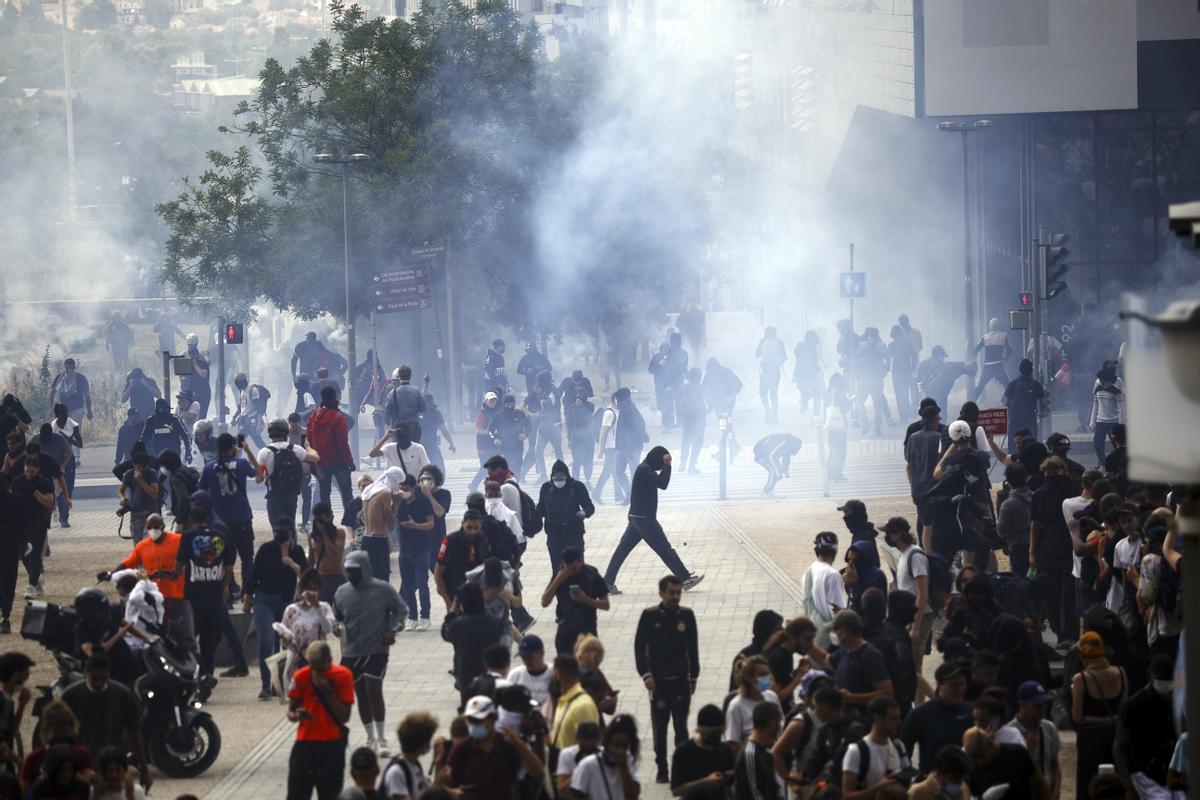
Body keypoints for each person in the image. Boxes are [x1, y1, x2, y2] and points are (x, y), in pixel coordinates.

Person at [335, 551, 406, 755]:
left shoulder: (383, 589)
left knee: (373, 687)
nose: (350, 575)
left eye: (354, 571)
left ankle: (382, 737)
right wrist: (336, 627)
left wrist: (393, 629)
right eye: (347, 571)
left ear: (364, 569)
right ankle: (370, 737)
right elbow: (336, 616)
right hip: (350, 651)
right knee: (360, 693)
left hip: (376, 648)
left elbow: (401, 610)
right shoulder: (341, 592)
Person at [603, 447, 702, 594]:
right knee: (665, 549)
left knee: (622, 551)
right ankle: (685, 579)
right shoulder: (645, 470)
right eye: (661, 463)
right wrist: (668, 466)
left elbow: (660, 483)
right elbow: (663, 484)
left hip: (636, 517)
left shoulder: (644, 468)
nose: (661, 467)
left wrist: (666, 465)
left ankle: (607, 582)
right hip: (644, 520)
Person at [635, 575, 700, 782]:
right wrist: (646, 675)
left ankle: (682, 770)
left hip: (680, 681)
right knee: (660, 727)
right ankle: (662, 767)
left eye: (678, 593)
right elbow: (639, 649)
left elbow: (693, 648)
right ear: (661, 593)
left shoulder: (687, 616)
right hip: (659, 683)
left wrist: (694, 677)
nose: (675, 597)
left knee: (681, 727)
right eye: (671, 593)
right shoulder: (650, 616)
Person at [59, 653, 151, 789]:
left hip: (112, 765)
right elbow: (60, 734)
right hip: (80, 766)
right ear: (86, 673)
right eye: (94, 678)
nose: (99, 683)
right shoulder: (71, 695)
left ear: (109, 674)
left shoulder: (123, 695)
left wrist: (144, 769)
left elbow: (134, 732)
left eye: (103, 678)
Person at [244, 526, 308, 698]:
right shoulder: (266, 549)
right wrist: (248, 597)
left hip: (287, 601)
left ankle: (281, 682)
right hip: (264, 599)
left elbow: (307, 575)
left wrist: (291, 563)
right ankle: (266, 685)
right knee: (266, 641)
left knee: (285, 642)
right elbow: (255, 572)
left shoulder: (297, 551)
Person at [286, 640, 354, 800]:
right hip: (305, 743)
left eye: (319, 666)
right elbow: (290, 711)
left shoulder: (343, 676)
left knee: (331, 794)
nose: (315, 671)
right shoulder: (301, 676)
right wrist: (296, 716)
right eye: (312, 665)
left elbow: (345, 716)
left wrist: (328, 693)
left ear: (329, 660)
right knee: (297, 794)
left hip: (332, 744)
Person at [447, 695, 545, 800]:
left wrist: (519, 745)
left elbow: (539, 773)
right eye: (471, 721)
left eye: (478, 721)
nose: (474, 725)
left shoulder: (508, 745)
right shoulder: (462, 750)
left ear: (493, 718)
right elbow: (445, 786)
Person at [1070, 631, 1127, 799]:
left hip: (1090, 741)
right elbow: (1123, 710)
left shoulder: (1080, 679)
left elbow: (1077, 717)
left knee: (1088, 786)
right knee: (1114, 786)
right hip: (1115, 738)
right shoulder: (1121, 673)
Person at [1029, 457, 1081, 642]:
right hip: (1048, 546)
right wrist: (1032, 552)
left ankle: (1069, 633)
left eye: (1055, 473)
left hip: (1068, 546)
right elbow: (1035, 523)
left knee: (1068, 594)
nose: (1052, 477)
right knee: (1052, 594)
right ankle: (1060, 632)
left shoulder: (1072, 491)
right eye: (1049, 474)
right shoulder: (1039, 495)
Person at [199, 432, 260, 592]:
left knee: (222, 555)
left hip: (219, 521)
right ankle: (248, 590)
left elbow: (201, 492)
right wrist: (247, 450)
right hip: (242, 518)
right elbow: (258, 471)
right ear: (233, 447)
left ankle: (230, 588)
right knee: (247, 557)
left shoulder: (209, 467)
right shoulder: (241, 464)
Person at [1113, 654, 1176, 790]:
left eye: (1168, 678)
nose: (1164, 682)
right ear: (1149, 675)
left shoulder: (1171, 704)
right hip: (1139, 774)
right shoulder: (1134, 705)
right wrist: (1128, 783)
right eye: (1160, 678)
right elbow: (1119, 747)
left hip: (1165, 776)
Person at [898, 662, 971, 777]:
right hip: (932, 784)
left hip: (965, 782)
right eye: (954, 685)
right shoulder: (920, 714)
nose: (960, 689)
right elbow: (903, 750)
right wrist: (911, 777)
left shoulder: (971, 711)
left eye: (962, 684)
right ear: (940, 684)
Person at [442, 583, 505, 709]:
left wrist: (453, 611)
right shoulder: (494, 621)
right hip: (489, 674)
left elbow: (445, 632)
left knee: (469, 711)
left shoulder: (459, 624)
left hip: (466, 678)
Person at [995, 681, 1061, 799]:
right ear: (1022, 703)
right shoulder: (1009, 733)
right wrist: (1025, 750)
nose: (1042, 708)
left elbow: (1055, 766)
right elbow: (1004, 772)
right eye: (1037, 705)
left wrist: (1055, 793)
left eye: (1045, 704)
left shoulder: (1049, 728)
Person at [839, 696, 909, 800]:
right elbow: (846, 796)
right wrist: (877, 789)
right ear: (877, 718)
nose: (899, 723)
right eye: (893, 719)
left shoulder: (898, 745)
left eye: (899, 718)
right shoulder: (856, 751)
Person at [258, 418, 320, 532]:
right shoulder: (296, 449)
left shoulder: (264, 453)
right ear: (286, 432)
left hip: (274, 495)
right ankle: (292, 546)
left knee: (277, 531)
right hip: (291, 495)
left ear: (270, 434)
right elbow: (315, 458)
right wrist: (308, 447)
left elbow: (259, 478)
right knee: (290, 528)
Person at [829, 610, 893, 718]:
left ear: (844, 631)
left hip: (864, 720)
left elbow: (887, 692)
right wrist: (810, 647)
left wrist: (851, 697)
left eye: (835, 632)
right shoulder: (846, 650)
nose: (833, 636)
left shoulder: (869, 655)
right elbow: (826, 660)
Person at [277, 570, 336, 685]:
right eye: (308, 589)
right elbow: (283, 637)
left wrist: (317, 608)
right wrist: (285, 638)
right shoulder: (291, 610)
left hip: (318, 662)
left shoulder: (324, 608)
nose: (311, 593)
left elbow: (328, 629)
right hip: (296, 662)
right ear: (301, 589)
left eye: (315, 589)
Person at [537, 460, 595, 572]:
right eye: (556, 478)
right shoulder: (546, 488)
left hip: (574, 533)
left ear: (567, 476)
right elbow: (541, 509)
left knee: (577, 567)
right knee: (557, 568)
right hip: (554, 534)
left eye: (561, 477)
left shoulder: (577, 487)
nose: (559, 481)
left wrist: (584, 513)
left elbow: (589, 507)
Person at [669, 705, 734, 800]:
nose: (717, 737)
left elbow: (731, 785)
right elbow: (676, 790)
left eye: (720, 733)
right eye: (714, 733)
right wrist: (705, 782)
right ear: (702, 732)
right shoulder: (683, 752)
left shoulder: (725, 749)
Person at [961, 726, 1045, 800]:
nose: (979, 762)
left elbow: (1039, 781)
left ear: (990, 744)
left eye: (981, 756)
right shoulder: (973, 766)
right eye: (974, 758)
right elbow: (971, 795)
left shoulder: (1016, 753)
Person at [570, 714, 641, 800]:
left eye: (624, 747)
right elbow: (576, 795)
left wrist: (624, 767)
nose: (620, 750)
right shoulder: (588, 765)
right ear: (607, 743)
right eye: (616, 745)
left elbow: (633, 795)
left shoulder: (628, 761)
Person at [308, 387, 356, 512]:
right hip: (339, 462)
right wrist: (350, 461)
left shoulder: (313, 418)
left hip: (321, 463)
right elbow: (343, 443)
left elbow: (310, 441)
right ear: (334, 398)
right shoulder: (337, 417)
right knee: (346, 494)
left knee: (324, 495)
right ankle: (351, 522)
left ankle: (326, 522)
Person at [11, 457, 52, 599]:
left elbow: (49, 502)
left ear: (38, 470)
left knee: (35, 556)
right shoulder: (17, 481)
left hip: (38, 523)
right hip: (20, 524)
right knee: (24, 556)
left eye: (32, 472)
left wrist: (36, 492)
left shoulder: (44, 482)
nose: (29, 474)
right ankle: (37, 578)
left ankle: (31, 586)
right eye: (27, 471)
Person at [435, 511, 491, 610]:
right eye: (469, 528)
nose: (472, 531)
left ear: (480, 526)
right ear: (462, 524)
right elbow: (438, 574)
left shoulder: (482, 538)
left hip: (476, 592)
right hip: (454, 592)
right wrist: (448, 602)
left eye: (476, 528)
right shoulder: (450, 541)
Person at [798, 532, 845, 647]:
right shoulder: (832, 575)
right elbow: (838, 611)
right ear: (835, 550)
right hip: (830, 639)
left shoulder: (807, 573)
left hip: (813, 636)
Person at [723, 657, 780, 751]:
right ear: (749, 678)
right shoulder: (736, 706)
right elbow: (733, 744)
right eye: (762, 675)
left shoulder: (772, 697)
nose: (768, 678)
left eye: (768, 673)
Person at [905, 404, 942, 546]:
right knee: (935, 524)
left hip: (918, 490)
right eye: (938, 418)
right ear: (934, 420)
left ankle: (924, 551)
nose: (939, 420)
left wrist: (913, 486)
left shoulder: (913, 438)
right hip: (935, 489)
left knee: (924, 522)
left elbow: (909, 466)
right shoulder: (938, 438)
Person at [379, 711, 438, 800]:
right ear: (421, 744)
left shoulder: (414, 763)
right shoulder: (397, 772)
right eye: (428, 740)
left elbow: (429, 791)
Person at [855, 327, 895, 437]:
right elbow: (888, 356)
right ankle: (877, 427)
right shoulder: (881, 345)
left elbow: (856, 358)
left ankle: (864, 423)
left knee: (859, 400)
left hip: (865, 378)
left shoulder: (862, 345)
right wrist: (886, 368)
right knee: (878, 404)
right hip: (877, 379)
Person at [307, 502, 348, 603]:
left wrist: (324, 534)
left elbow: (334, 556)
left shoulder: (339, 533)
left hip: (337, 576)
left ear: (330, 517)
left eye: (323, 520)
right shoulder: (312, 535)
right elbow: (311, 560)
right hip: (321, 578)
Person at [997, 464, 1033, 577]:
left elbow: (1001, 531)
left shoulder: (1008, 505)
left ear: (1008, 481)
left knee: (1019, 579)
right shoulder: (1036, 497)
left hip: (1017, 546)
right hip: (1037, 544)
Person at [1002, 360, 1047, 451]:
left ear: (1019, 370)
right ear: (1031, 370)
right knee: (1031, 447)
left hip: (1014, 422)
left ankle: (1014, 463)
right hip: (1030, 422)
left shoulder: (1013, 384)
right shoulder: (1036, 385)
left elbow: (1005, 402)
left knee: (1013, 447)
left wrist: (1007, 420)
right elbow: (1043, 403)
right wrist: (1042, 414)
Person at [1089, 364, 1125, 467]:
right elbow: (1095, 405)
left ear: (1109, 380)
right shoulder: (1098, 389)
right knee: (1097, 444)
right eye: (1100, 381)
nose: (1101, 383)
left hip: (1114, 421)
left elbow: (1122, 408)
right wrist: (1092, 421)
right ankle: (1104, 463)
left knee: (1116, 445)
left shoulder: (1116, 391)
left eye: (1103, 381)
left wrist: (1122, 424)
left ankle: (1118, 463)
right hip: (1101, 421)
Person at [555, 720, 602, 797]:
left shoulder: (603, 755)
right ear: (578, 739)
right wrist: (582, 769)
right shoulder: (567, 754)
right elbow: (562, 790)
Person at [488, 396, 530, 479]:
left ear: (514, 403)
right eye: (508, 403)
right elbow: (490, 430)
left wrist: (525, 434)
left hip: (518, 444)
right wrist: (495, 439)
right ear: (504, 404)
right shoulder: (498, 415)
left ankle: (516, 482)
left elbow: (529, 426)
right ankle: (510, 481)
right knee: (511, 463)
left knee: (518, 464)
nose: (510, 405)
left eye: (512, 403)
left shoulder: (519, 413)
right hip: (505, 445)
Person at [505, 635, 552, 707]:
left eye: (530, 657)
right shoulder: (515, 675)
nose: (526, 661)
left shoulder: (555, 674)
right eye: (523, 657)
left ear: (541, 653)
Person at [48, 359, 92, 432]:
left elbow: (87, 396)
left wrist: (89, 411)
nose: (69, 370)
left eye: (71, 368)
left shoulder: (81, 378)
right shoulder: (60, 378)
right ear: (64, 368)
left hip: (78, 409)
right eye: (67, 368)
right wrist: (50, 409)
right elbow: (52, 393)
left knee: (75, 431)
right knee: (63, 432)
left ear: (74, 367)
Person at [676, 368, 707, 474]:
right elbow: (710, 401)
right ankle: (691, 465)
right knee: (697, 442)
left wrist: (679, 415)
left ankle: (682, 463)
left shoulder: (683, 388)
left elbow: (678, 401)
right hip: (699, 418)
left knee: (686, 441)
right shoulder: (702, 388)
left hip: (687, 418)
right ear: (699, 377)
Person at [755, 327, 787, 425]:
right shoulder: (779, 342)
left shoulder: (763, 341)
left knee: (763, 393)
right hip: (775, 372)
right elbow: (785, 357)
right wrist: (777, 361)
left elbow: (756, 354)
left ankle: (768, 413)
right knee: (773, 394)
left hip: (765, 372)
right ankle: (775, 416)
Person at [823, 373, 851, 482]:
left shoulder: (827, 392)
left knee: (832, 450)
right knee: (840, 451)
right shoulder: (840, 393)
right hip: (839, 426)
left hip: (830, 426)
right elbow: (843, 408)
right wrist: (851, 401)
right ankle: (837, 474)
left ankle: (828, 473)